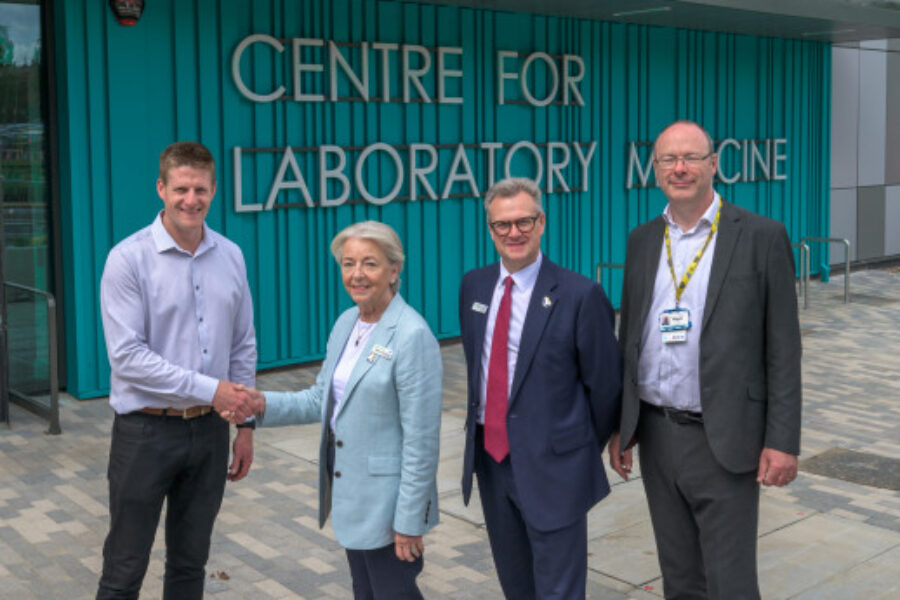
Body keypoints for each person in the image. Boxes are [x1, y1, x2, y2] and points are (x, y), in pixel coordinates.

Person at [608, 120, 802, 599]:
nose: (680, 168)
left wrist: (782, 441)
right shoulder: (642, 240)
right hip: (656, 434)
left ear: (713, 164)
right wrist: (622, 426)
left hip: (726, 437)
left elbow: (783, 348)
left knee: (731, 581)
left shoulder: (760, 236)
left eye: (691, 157)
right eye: (668, 160)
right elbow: (629, 339)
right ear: (654, 170)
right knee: (680, 577)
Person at [241, 221, 442, 600]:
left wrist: (410, 520)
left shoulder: (412, 335)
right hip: (353, 497)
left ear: (394, 269)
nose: (357, 275)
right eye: (348, 264)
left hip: (389, 507)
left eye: (370, 263)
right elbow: (321, 400)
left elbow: (422, 440)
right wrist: (261, 403)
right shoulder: (347, 323)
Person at [97, 141, 258, 599]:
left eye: (201, 189)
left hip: (210, 434)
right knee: (124, 568)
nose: (192, 199)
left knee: (190, 565)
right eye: (182, 188)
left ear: (213, 190)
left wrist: (244, 425)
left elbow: (243, 345)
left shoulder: (231, 255)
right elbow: (127, 357)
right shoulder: (127, 259)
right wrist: (214, 390)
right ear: (161, 189)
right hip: (145, 434)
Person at [458, 177, 622, 599]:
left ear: (542, 222)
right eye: (502, 225)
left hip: (554, 470)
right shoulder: (473, 286)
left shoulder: (580, 294)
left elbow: (605, 389)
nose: (514, 232)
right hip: (492, 464)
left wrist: (572, 449)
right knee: (516, 586)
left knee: (559, 592)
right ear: (490, 229)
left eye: (524, 221)